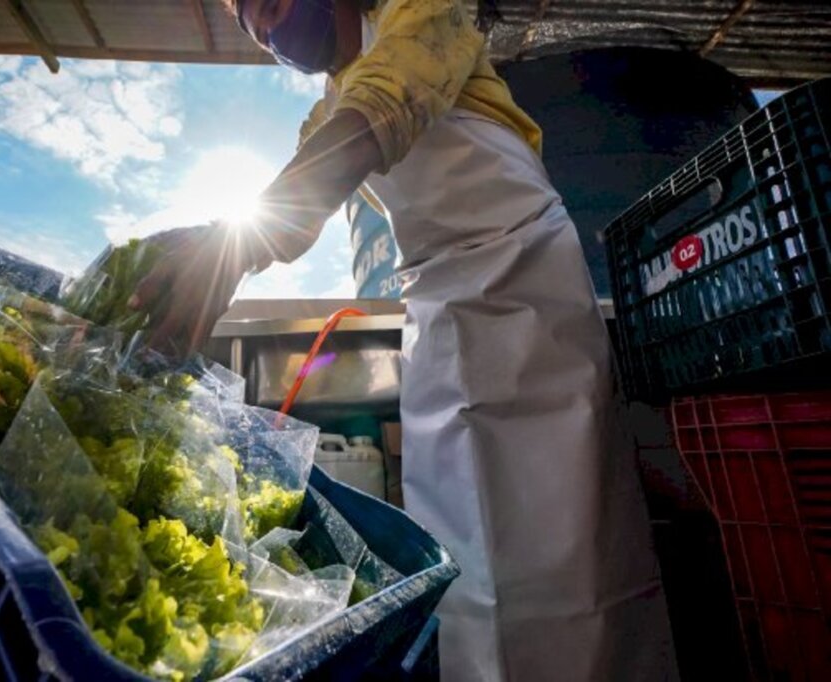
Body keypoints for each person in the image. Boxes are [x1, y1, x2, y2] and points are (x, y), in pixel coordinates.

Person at [130, 1, 678, 680]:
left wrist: (229, 252)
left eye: (268, 2)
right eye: (248, 20)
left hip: (525, 289)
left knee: (569, 543)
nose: (261, 23)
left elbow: (386, 99)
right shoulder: (330, 104)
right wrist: (216, 241)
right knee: (464, 556)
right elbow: (294, 211)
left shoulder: (418, 13)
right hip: (439, 316)